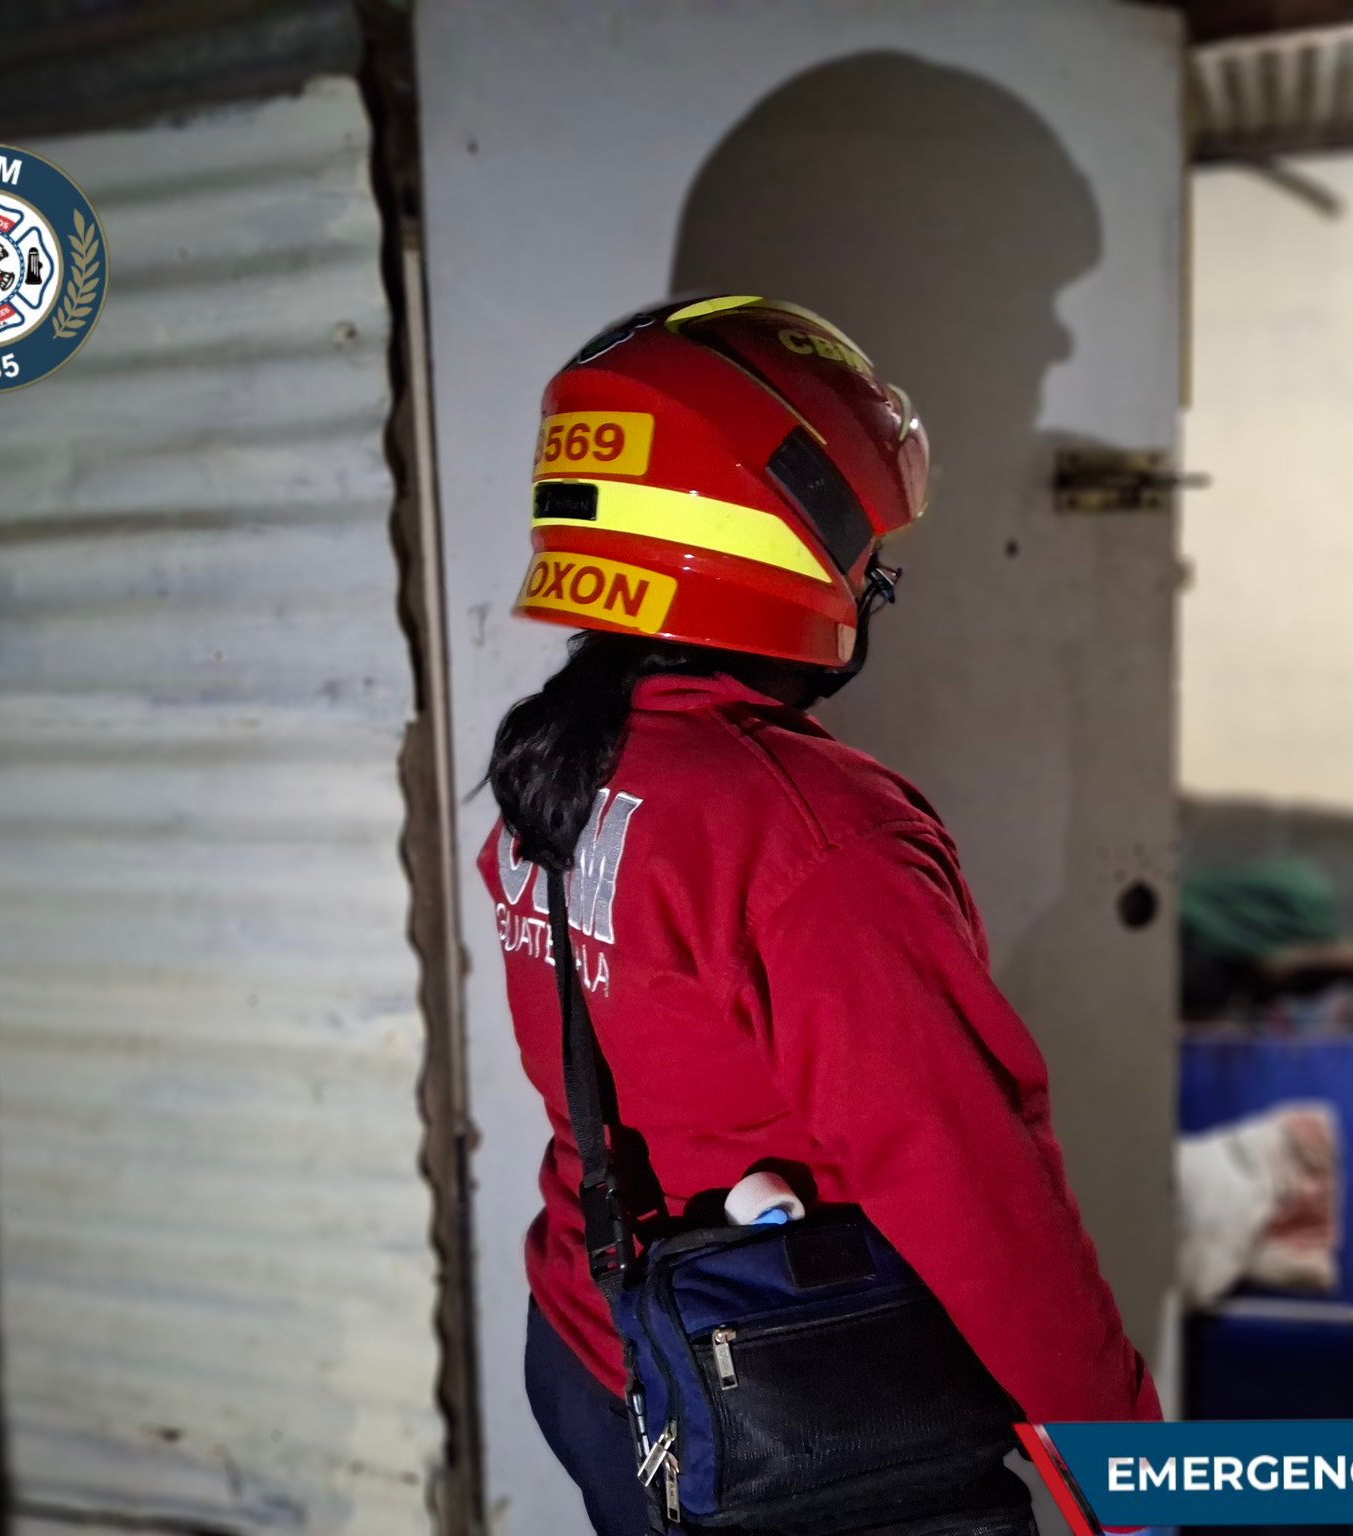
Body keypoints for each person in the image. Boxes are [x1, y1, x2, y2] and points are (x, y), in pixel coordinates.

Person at [483, 297, 1159, 1536]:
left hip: (597, 1352)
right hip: (782, 1420)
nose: (873, 575)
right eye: (859, 544)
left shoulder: (556, 766)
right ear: (770, 542)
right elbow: (974, 1194)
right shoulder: (810, 836)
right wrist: (1133, 1475)